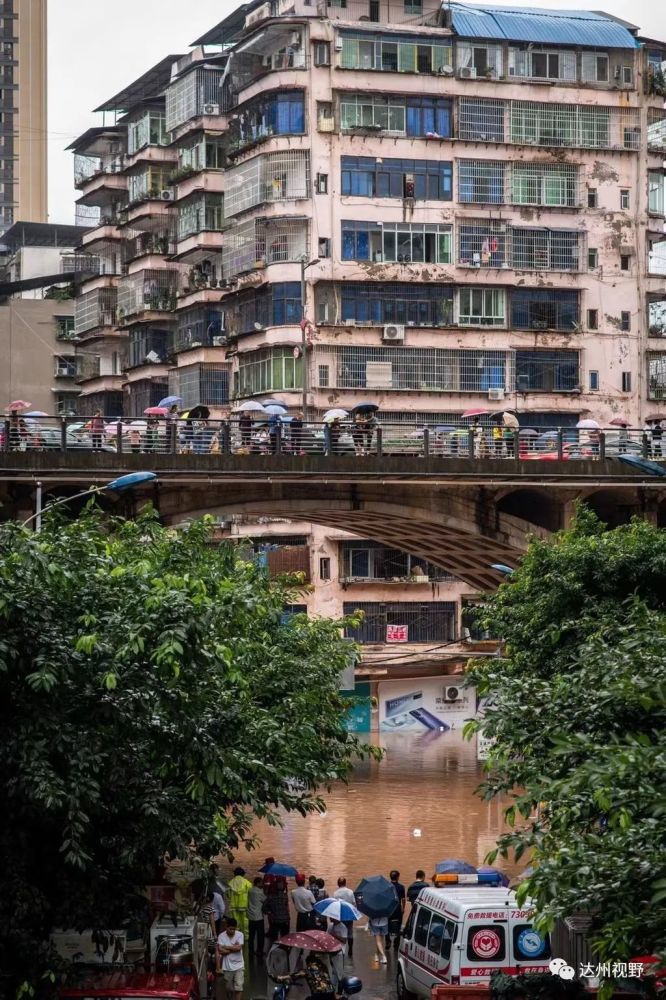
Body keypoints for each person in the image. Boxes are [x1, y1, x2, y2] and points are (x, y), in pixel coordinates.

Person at [216, 916, 245, 1000]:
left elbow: (239, 948)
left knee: (239, 986)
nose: (232, 931)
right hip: (227, 967)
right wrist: (233, 948)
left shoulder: (240, 935)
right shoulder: (221, 936)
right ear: (226, 927)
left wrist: (225, 947)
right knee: (229, 988)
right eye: (230, 929)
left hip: (239, 965)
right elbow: (220, 951)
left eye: (233, 929)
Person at [334, 878, 356, 958]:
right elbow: (354, 903)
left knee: (340, 932)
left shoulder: (335, 893)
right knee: (350, 932)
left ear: (338, 884)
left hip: (340, 915)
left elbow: (335, 905)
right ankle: (350, 949)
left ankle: (341, 949)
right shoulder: (350, 892)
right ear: (345, 883)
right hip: (349, 914)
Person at [228, 867, 252, 937]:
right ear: (243, 874)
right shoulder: (247, 882)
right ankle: (246, 937)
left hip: (234, 906)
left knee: (235, 922)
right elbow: (250, 894)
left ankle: (236, 936)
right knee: (245, 922)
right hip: (244, 906)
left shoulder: (230, 883)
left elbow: (228, 895)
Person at [265, 875, 290, 941]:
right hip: (285, 920)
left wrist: (269, 912)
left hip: (275, 920)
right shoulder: (285, 896)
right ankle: (285, 949)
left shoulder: (271, 896)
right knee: (285, 938)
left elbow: (264, 908)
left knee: (273, 939)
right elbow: (286, 907)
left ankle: (272, 950)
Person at [386, 870, 405, 951]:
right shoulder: (401, 887)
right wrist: (403, 908)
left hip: (388, 909)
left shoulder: (387, 887)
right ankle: (396, 944)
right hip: (397, 910)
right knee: (399, 926)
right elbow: (403, 899)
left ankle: (388, 941)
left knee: (386, 926)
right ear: (397, 877)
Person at [248, 876, 266, 957]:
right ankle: (259, 951)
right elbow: (265, 899)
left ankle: (251, 950)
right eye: (261, 882)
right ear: (258, 883)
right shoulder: (259, 892)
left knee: (251, 935)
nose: (262, 884)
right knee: (260, 935)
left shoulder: (250, 890)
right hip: (258, 917)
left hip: (251, 916)